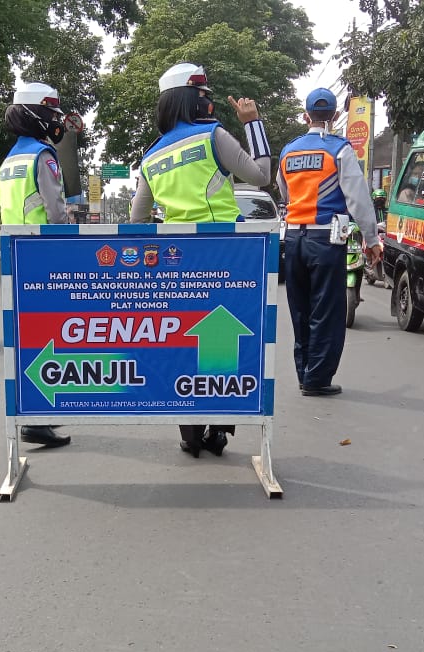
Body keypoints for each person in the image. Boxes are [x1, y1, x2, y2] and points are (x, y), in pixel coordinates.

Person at [130, 62, 272, 457]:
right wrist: (253, 123)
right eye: (206, 97)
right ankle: (217, 430)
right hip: (227, 255)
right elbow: (261, 176)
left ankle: (190, 434)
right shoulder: (213, 136)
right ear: (193, 99)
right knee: (222, 344)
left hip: (178, 262)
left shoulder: (151, 157)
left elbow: (137, 219)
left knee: (183, 343)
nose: (210, 104)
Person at [276, 87, 382, 397]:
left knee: (301, 309)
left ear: (305, 115)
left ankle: (303, 371)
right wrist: (372, 239)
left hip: (294, 239)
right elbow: (359, 200)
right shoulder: (340, 150)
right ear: (335, 116)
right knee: (326, 311)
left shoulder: (288, 151)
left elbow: (285, 194)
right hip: (326, 240)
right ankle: (317, 378)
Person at [0, 81, 72, 448]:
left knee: (29, 339)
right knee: (52, 338)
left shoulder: (10, 160)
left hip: (17, 260)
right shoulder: (43, 156)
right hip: (45, 258)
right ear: (37, 115)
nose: (58, 121)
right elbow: (56, 212)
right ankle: (39, 419)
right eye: (53, 114)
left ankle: (32, 415)